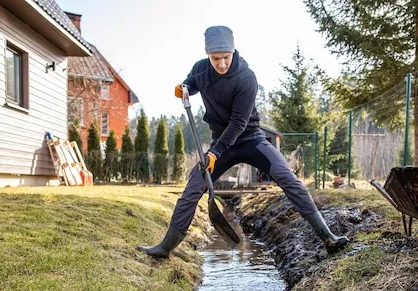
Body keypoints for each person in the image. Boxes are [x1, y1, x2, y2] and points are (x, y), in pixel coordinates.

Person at [137, 25, 348, 259]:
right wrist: (184, 88)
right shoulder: (201, 68)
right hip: (221, 144)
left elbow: (238, 124)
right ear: (207, 54)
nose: (221, 64)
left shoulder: (246, 77)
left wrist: (214, 153)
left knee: (288, 178)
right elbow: (191, 83)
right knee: (194, 186)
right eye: (215, 58)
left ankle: (328, 237)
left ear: (233, 51)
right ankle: (165, 247)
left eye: (226, 57)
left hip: (251, 140)